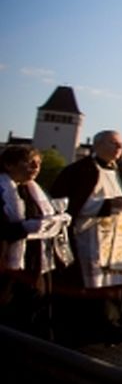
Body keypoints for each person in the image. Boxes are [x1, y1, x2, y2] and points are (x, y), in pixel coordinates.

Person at [49, 129, 122, 343]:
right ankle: (93, 329)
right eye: (113, 143)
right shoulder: (81, 170)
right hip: (90, 237)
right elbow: (69, 204)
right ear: (97, 145)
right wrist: (110, 204)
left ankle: (113, 323)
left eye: (121, 144)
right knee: (93, 285)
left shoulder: (116, 170)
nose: (119, 148)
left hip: (114, 238)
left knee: (112, 283)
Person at [0, 145, 71, 338]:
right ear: (8, 164)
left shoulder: (33, 190)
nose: (35, 167)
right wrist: (25, 228)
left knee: (35, 309)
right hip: (9, 263)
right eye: (29, 163)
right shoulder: (3, 190)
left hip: (36, 261)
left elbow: (43, 218)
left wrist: (58, 220)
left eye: (38, 163)